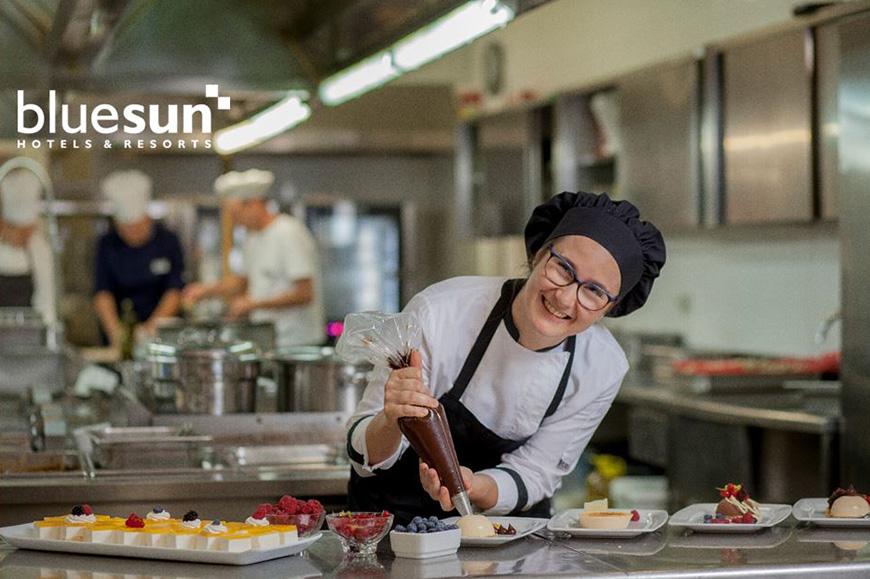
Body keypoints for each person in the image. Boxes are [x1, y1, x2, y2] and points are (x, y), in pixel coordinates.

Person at [346, 191, 666, 524]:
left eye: (594, 291)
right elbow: (360, 451)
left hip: (505, 532)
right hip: (391, 525)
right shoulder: (443, 311)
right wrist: (391, 420)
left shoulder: (601, 366)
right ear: (539, 255)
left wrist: (472, 486)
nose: (565, 298)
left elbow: (536, 472)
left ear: (609, 308)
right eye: (562, 268)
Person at [183, 169, 325, 349]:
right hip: (268, 339)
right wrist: (206, 290)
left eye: (236, 214)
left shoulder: (288, 232)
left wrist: (253, 304)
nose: (235, 221)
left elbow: (304, 293)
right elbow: (243, 281)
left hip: (298, 343)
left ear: (255, 204)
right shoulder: (252, 238)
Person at [93, 170, 185, 347]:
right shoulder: (107, 244)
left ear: (148, 219)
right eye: (126, 229)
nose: (132, 234)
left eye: (137, 227)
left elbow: (174, 290)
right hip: (121, 329)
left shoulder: (168, 241)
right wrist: (118, 335)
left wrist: (150, 330)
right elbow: (103, 292)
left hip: (162, 333)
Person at [0, 170, 56, 324]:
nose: (24, 236)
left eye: (28, 230)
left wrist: (47, 327)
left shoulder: (40, 249)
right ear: (4, 224)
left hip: (28, 331)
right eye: (18, 229)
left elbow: (46, 303)